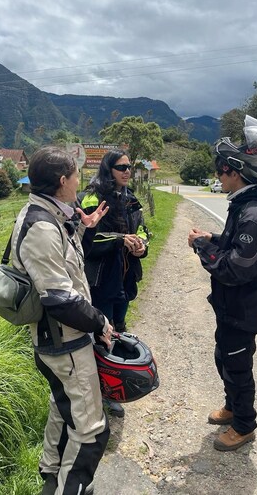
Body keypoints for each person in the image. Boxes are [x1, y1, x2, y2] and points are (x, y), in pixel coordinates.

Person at [11, 146, 113, 495]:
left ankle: (51, 475)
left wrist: (82, 229)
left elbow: (61, 265)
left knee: (62, 407)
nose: (79, 181)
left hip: (57, 341)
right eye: (76, 175)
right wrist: (100, 322)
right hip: (64, 341)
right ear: (62, 181)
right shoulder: (41, 225)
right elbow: (58, 297)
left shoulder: (47, 214)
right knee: (91, 429)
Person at [188, 115, 257, 451]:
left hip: (243, 308)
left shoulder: (254, 212)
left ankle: (244, 426)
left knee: (238, 366)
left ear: (235, 171)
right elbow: (235, 246)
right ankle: (232, 408)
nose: (218, 176)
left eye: (220, 171)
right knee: (224, 357)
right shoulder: (245, 206)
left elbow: (235, 268)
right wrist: (212, 237)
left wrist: (201, 246)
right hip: (233, 306)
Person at [79, 150, 149, 418]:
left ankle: (115, 385)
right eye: (121, 167)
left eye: (129, 166)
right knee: (100, 335)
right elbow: (86, 240)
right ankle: (101, 396)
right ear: (109, 169)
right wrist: (121, 239)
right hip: (100, 280)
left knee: (118, 330)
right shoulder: (93, 197)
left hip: (125, 276)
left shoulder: (130, 199)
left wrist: (141, 244)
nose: (127, 171)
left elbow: (142, 228)